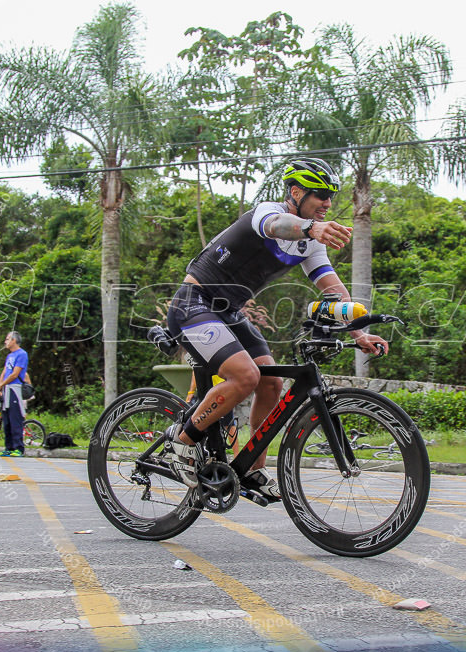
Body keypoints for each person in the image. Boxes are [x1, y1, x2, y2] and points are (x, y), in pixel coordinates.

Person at [164, 158, 390, 500]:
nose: (328, 204)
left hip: (229, 313)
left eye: (330, 197)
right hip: (194, 304)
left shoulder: (311, 243)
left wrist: (359, 332)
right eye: (320, 196)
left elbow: (333, 289)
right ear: (296, 193)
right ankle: (180, 445)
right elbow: (277, 225)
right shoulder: (267, 213)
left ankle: (253, 468)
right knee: (246, 377)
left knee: (270, 380)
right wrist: (312, 228)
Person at [0, 331, 28, 458]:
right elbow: (5, 371)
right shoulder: (10, 355)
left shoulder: (22, 354)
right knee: (6, 419)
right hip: (5, 389)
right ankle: (9, 447)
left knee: (15, 418)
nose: (5, 341)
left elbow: (14, 374)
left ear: (14, 340)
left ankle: (19, 448)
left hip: (14, 388)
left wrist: (1, 385)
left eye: (7, 339)